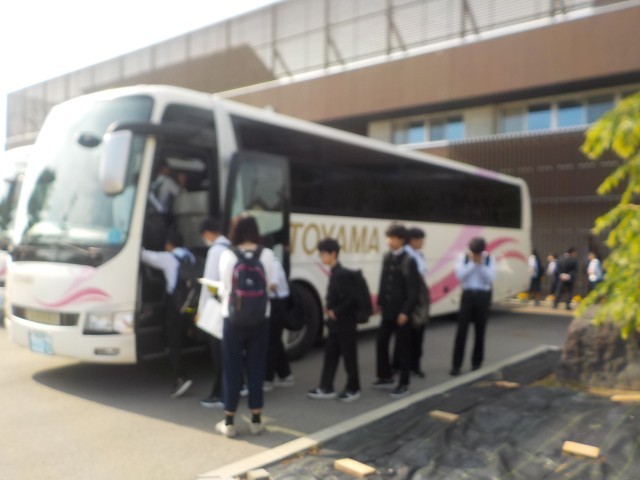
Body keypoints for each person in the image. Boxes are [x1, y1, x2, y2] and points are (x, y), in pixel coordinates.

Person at [215, 214, 274, 438]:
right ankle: (256, 421)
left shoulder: (227, 255)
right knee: (256, 367)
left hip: (232, 319)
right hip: (261, 317)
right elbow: (269, 284)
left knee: (232, 368)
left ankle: (229, 422)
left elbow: (224, 288)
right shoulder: (267, 254)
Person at [140, 229, 196, 398]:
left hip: (175, 305)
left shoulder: (168, 258)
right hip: (190, 305)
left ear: (169, 244)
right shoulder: (189, 256)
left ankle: (180, 378)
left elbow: (144, 256)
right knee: (183, 339)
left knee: (174, 342)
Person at [308, 238, 361, 402]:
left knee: (349, 356)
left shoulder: (341, 274)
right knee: (330, 355)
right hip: (336, 323)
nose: (321, 257)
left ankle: (353, 388)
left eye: (323, 253)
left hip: (345, 322)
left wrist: (335, 311)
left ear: (333, 254)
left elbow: (352, 298)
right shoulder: (335, 272)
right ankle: (326, 387)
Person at [373, 224, 420, 399]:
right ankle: (385, 376)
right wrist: (379, 302)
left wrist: (406, 312)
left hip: (401, 312)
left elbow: (413, 290)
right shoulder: (387, 256)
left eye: (392, 237)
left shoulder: (409, 260)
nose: (389, 241)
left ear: (401, 240)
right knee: (381, 342)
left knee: (403, 348)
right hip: (388, 310)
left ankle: (404, 383)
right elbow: (383, 281)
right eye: (388, 237)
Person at [450, 236, 496, 376]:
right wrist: (472, 264)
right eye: (474, 252)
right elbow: (459, 276)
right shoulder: (463, 258)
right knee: (461, 331)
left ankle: (476, 363)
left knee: (480, 331)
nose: (476, 255)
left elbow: (490, 278)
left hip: (483, 296)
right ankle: (456, 365)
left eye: (478, 252)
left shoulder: (489, 259)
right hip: (467, 295)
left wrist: (480, 265)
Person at [197, 218, 230, 408]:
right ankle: (238, 386)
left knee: (218, 353)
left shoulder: (215, 251)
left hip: (217, 308)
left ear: (208, 233)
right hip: (231, 307)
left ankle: (218, 393)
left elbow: (208, 284)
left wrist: (201, 310)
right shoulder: (231, 247)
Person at [264, 256, 295, 392]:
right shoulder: (267, 261)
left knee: (271, 342)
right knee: (275, 340)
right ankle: (285, 374)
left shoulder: (273, 263)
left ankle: (268, 379)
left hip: (277, 304)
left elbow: (273, 284)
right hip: (273, 303)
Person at [403, 227, 429, 378]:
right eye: (421, 240)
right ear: (413, 240)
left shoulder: (419, 255)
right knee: (407, 336)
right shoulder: (406, 255)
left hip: (419, 296)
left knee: (418, 333)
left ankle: (415, 365)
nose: (423, 243)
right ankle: (404, 366)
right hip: (410, 297)